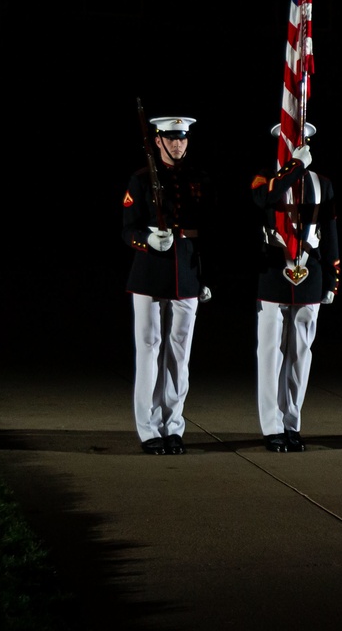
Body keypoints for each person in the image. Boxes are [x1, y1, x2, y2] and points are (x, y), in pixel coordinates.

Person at [122, 114, 214, 455]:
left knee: (179, 354)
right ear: (158, 140)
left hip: (186, 273)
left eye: (183, 138)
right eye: (171, 138)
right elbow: (127, 229)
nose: (178, 144)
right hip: (149, 273)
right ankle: (148, 429)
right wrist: (147, 239)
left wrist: (204, 276)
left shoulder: (198, 179)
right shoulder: (142, 179)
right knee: (148, 350)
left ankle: (173, 426)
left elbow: (206, 232)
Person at [251, 122, 339, 453]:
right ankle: (271, 426)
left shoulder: (322, 183)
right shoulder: (265, 177)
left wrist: (332, 278)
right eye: (291, 141)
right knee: (271, 353)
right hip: (275, 272)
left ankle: (292, 423)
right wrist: (295, 166)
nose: (297, 145)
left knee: (301, 354)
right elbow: (264, 198)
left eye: (303, 142)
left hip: (309, 273)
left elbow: (330, 234)